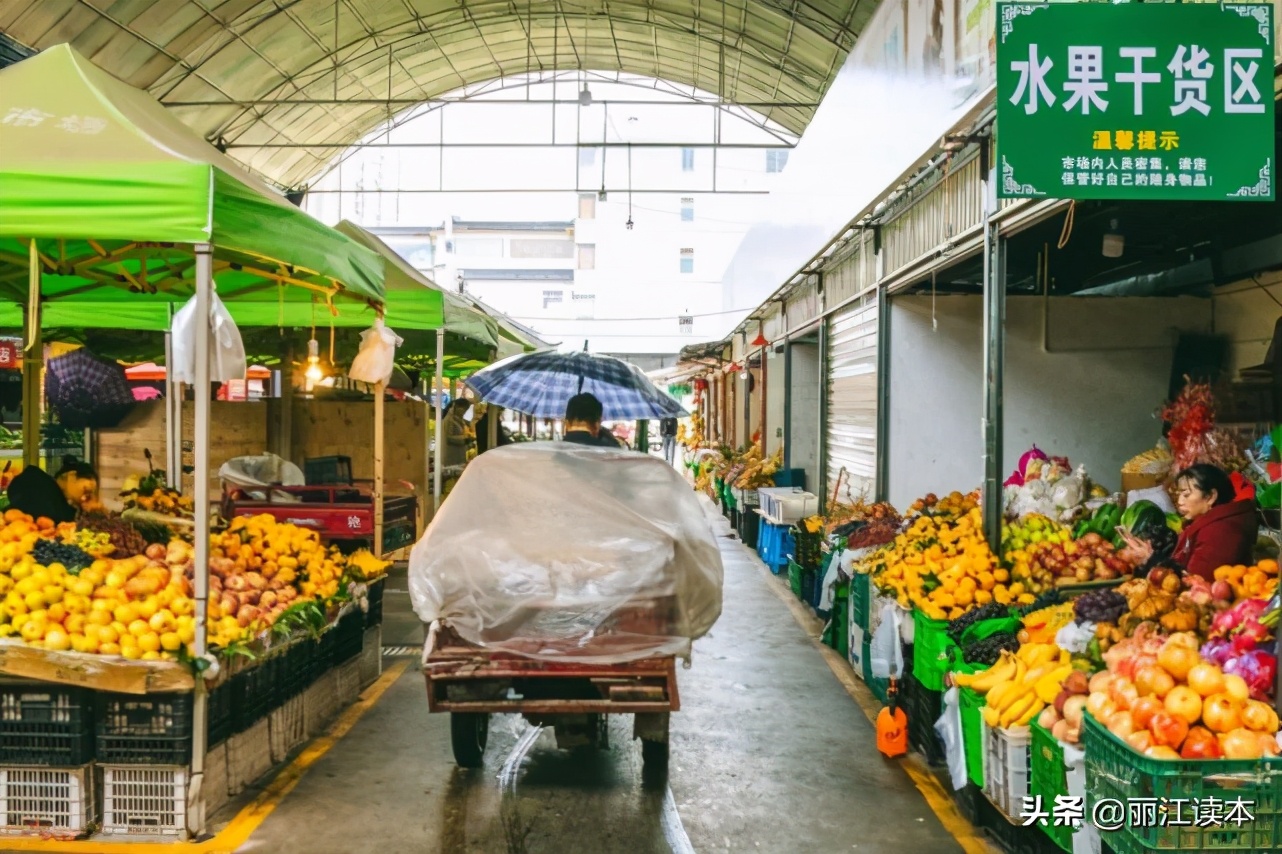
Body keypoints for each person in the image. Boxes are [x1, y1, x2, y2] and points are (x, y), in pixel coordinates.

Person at [1123, 464, 1257, 581]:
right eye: (1179, 495)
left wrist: (1152, 560)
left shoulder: (1220, 532)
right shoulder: (1205, 523)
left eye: (1186, 495)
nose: (1180, 501)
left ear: (1210, 496)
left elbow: (1195, 582)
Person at [442, 399, 474, 467]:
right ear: (457, 407)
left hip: (459, 454)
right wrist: (466, 438)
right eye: (464, 408)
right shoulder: (449, 420)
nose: (465, 411)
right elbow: (448, 438)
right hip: (451, 456)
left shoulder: (460, 420)